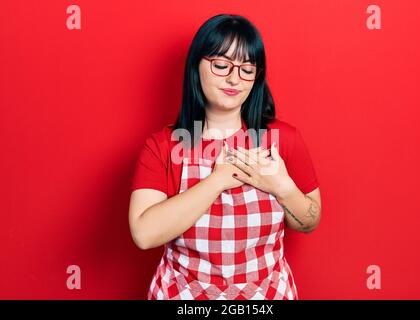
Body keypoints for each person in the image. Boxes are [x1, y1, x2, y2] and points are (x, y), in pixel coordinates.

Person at [128, 13, 322, 300]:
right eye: (221, 65)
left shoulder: (283, 139)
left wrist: (283, 188)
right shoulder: (164, 146)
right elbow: (144, 235)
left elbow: (310, 221)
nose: (234, 79)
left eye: (247, 69)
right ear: (196, 66)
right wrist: (217, 180)